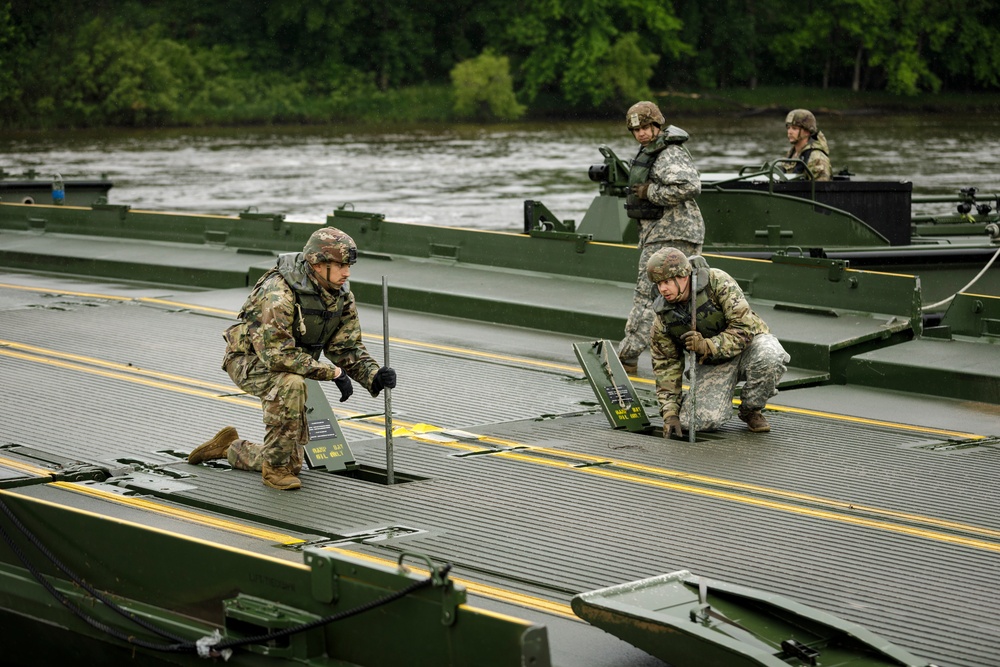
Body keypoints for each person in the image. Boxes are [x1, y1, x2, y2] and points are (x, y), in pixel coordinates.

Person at [188, 227, 396, 490]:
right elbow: (277, 355)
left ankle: (228, 448)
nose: (347, 272)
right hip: (250, 361)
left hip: (294, 364)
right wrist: (332, 373)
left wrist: (373, 376)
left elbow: (346, 347)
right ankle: (273, 472)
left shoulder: (340, 294)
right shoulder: (278, 291)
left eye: (348, 265)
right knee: (291, 385)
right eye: (341, 265)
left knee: (293, 463)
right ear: (317, 263)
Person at [647, 248, 789, 437]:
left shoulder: (717, 282)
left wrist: (708, 345)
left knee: (771, 356)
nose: (662, 289)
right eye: (658, 284)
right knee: (693, 423)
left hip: (748, 347)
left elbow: (744, 328)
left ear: (683, 276)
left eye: (666, 282)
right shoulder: (663, 318)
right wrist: (670, 413)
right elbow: (666, 366)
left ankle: (751, 409)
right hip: (713, 363)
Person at [617, 100, 705, 375]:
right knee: (687, 298)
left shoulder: (668, 153)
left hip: (670, 234)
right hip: (669, 233)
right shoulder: (655, 151)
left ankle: (627, 357)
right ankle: (700, 358)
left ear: (657, 124)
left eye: (645, 127)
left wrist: (649, 193)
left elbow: (690, 186)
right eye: (636, 130)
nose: (641, 133)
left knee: (647, 295)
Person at [780, 109, 831, 181]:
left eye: (794, 128)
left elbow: (821, 188)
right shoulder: (791, 154)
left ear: (807, 131)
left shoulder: (816, 157)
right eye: (788, 128)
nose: (789, 132)